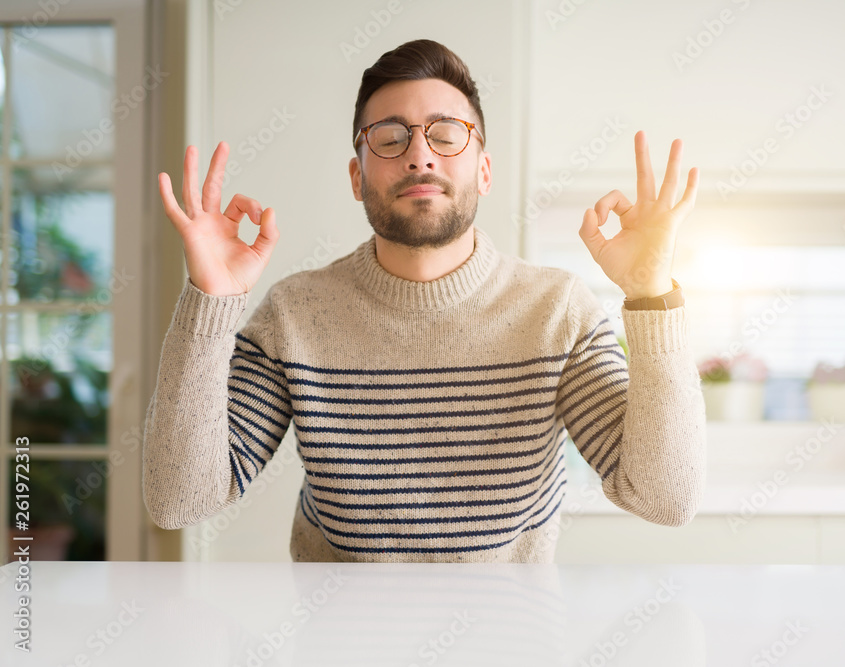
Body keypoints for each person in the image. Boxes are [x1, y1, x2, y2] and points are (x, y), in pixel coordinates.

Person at [143, 38, 706, 563]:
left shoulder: (559, 311)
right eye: (390, 137)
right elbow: (180, 501)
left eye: (446, 134)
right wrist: (208, 304)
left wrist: (652, 294)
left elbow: (663, 500)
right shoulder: (293, 315)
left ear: (483, 170)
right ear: (357, 177)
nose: (420, 155)